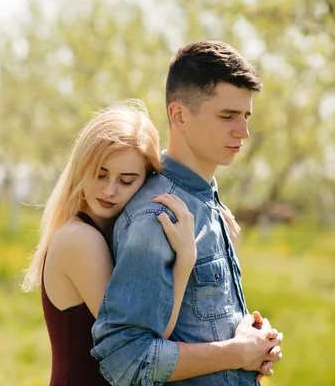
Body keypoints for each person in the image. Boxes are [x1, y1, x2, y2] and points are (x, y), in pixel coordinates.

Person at [91, 40, 283, 385]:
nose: (244, 132)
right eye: (227, 116)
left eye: (245, 116)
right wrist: (237, 353)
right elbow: (126, 358)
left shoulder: (208, 201)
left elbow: (201, 322)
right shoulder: (158, 216)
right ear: (179, 115)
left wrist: (254, 342)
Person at [22, 100, 201, 385]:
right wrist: (185, 261)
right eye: (101, 174)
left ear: (147, 181)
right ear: (82, 166)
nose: (109, 190)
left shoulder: (115, 233)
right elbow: (144, 344)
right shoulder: (79, 239)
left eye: (127, 180)